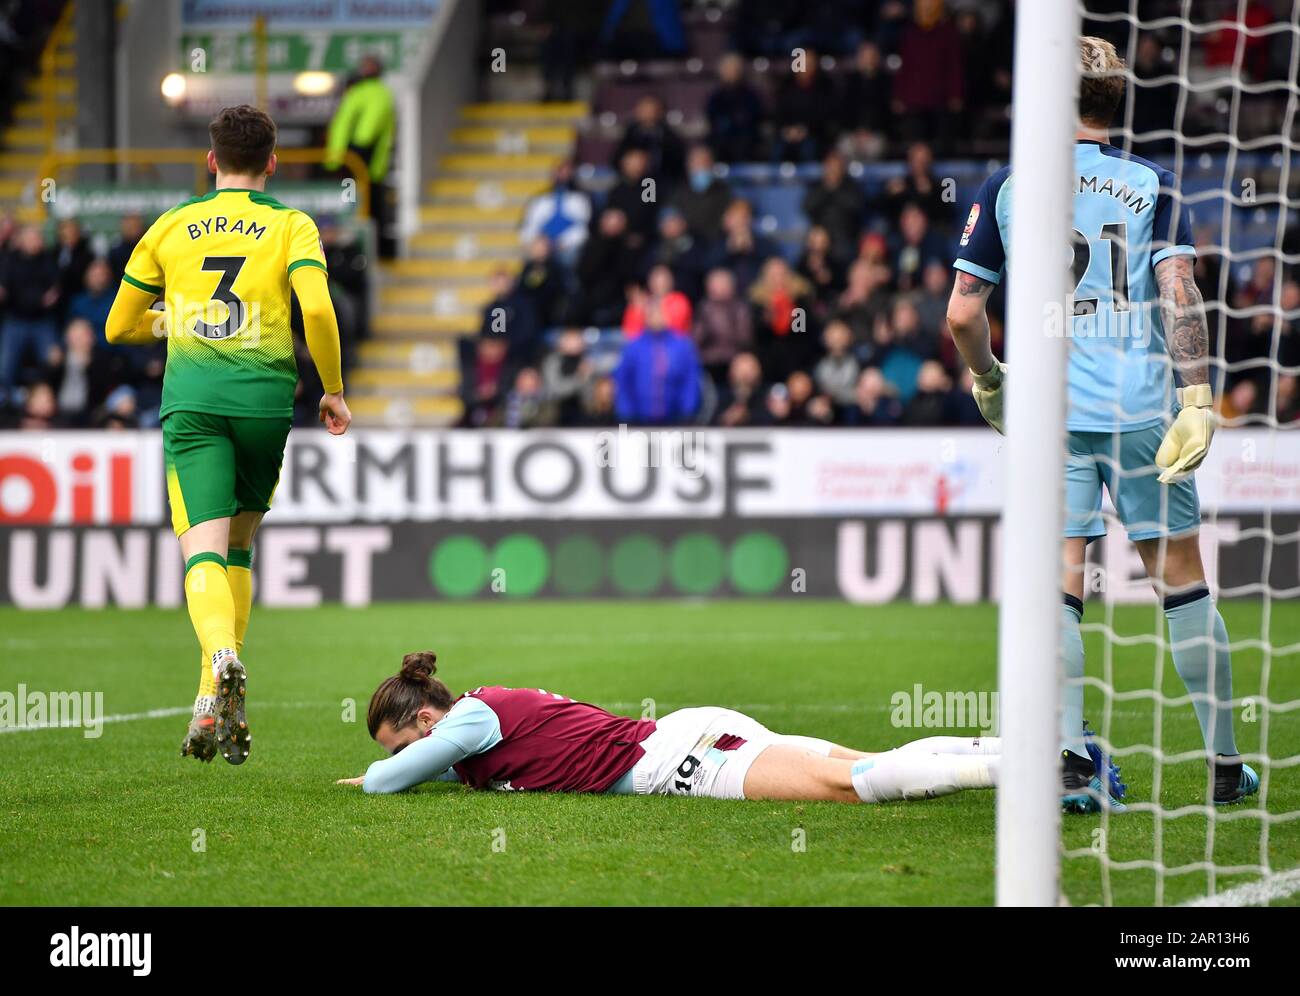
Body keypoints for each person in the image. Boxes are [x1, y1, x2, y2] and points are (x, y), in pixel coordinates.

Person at [946, 37, 1256, 811]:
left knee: (1059, 583)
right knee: (1180, 581)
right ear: (1117, 100)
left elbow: (961, 312)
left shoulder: (1011, 185)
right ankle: (1224, 767)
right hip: (1140, 405)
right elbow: (1180, 291)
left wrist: (989, 379)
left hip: (1052, 413)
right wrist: (1196, 398)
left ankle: (1069, 766)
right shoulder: (1155, 181)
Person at [106, 105, 351, 766]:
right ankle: (209, 699)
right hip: (265, 403)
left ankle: (219, 660)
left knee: (202, 554)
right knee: (239, 545)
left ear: (210, 160)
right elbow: (318, 307)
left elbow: (118, 327)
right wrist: (332, 388)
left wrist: (183, 323)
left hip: (195, 406)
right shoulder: (291, 223)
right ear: (273, 162)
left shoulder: (172, 225)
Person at [337, 651, 1001, 804]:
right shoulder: (475, 724)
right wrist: (391, 765)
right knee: (867, 761)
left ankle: (1013, 769)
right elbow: (448, 765)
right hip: (681, 731)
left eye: (403, 744)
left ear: (425, 719)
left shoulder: (471, 718)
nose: (408, 761)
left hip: (671, 760)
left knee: (849, 784)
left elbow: (384, 787)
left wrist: (376, 774)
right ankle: (1008, 749)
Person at [325, 55, 397, 258]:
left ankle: (371, 253)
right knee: (353, 206)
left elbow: (368, 128)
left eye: (367, 66)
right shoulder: (360, 91)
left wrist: (355, 150)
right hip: (346, 160)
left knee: (367, 207)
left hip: (359, 161)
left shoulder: (375, 93)